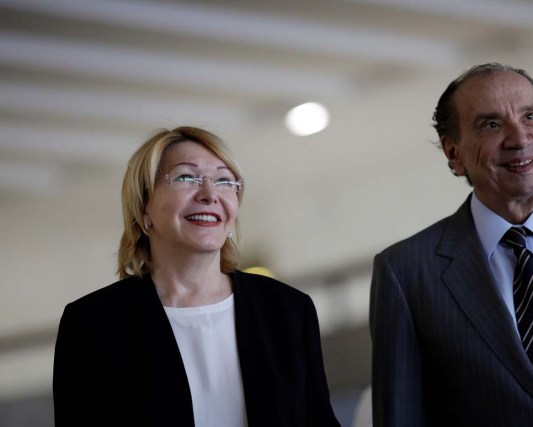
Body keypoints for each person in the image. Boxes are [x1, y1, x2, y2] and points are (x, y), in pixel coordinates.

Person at [369, 63, 533, 426]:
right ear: (454, 154)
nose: (519, 138)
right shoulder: (406, 273)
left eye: (530, 116)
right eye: (492, 125)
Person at [53, 126, 340, 427]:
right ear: (143, 208)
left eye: (224, 181)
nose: (209, 194)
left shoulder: (288, 310)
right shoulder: (92, 325)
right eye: (186, 177)